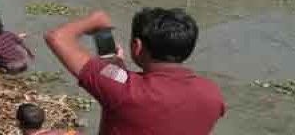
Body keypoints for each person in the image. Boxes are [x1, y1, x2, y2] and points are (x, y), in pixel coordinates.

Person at [44, 8, 225, 135]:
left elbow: (57, 37)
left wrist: (96, 21)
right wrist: (115, 63)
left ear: (137, 46)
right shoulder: (212, 92)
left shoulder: (123, 88)